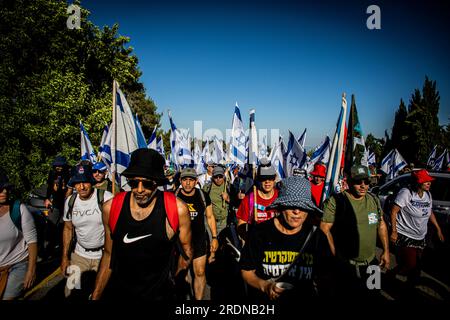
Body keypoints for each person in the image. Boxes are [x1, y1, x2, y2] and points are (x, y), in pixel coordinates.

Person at [92, 149, 192, 301]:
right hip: (119, 294)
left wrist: (175, 281)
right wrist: (96, 295)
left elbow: (187, 252)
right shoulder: (111, 208)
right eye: (133, 182)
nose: (139, 190)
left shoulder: (176, 209)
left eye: (147, 184)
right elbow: (108, 254)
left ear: (157, 183)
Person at [239, 176, 332, 305]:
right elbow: (246, 271)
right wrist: (265, 286)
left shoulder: (317, 236)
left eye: (303, 206)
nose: (297, 211)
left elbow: (326, 275)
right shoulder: (260, 233)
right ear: (281, 206)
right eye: (291, 205)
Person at [320, 165, 390, 298]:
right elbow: (324, 229)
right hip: (347, 266)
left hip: (371, 262)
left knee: (374, 296)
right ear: (349, 182)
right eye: (358, 182)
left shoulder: (373, 200)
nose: (363, 186)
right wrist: (335, 256)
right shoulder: (336, 201)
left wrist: (386, 251)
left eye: (367, 182)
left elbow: (381, 225)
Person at [61, 164, 113, 298]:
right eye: (77, 183)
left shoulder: (106, 198)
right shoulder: (70, 201)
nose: (82, 187)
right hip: (79, 255)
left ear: (91, 181)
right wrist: (65, 257)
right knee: (71, 292)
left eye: (85, 182)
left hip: (103, 257)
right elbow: (68, 229)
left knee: (98, 294)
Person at [389, 169, 445, 285]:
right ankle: (391, 274)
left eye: (429, 181)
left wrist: (438, 229)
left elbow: (430, 212)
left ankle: (410, 287)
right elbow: (393, 212)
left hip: (420, 237)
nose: (429, 183)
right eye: (426, 181)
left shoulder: (428, 194)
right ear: (419, 182)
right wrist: (394, 231)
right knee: (410, 264)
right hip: (405, 235)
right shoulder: (406, 193)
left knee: (417, 266)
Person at [175, 167, 218, 300]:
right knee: (182, 273)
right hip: (180, 243)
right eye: (185, 180)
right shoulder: (174, 197)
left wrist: (215, 237)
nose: (188, 183)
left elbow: (210, 217)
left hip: (199, 240)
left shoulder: (203, 196)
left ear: (196, 181)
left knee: (199, 272)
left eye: (191, 180)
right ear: (180, 181)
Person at [0, 168, 37, 300]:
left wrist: (31, 270)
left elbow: (32, 241)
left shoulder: (18, 209)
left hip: (17, 265)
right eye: (0, 189)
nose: (4, 192)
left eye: (6, 188)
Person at [236, 159, 279, 239]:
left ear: (275, 178)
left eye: (270, 178)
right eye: (263, 178)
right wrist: (250, 241)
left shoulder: (281, 197)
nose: (267, 181)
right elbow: (241, 225)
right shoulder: (249, 199)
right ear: (258, 179)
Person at [203, 165, 230, 235]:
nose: (218, 179)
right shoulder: (207, 187)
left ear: (223, 177)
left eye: (220, 176)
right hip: (211, 221)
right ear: (212, 177)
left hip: (223, 221)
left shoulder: (228, 187)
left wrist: (228, 199)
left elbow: (235, 203)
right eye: (216, 177)